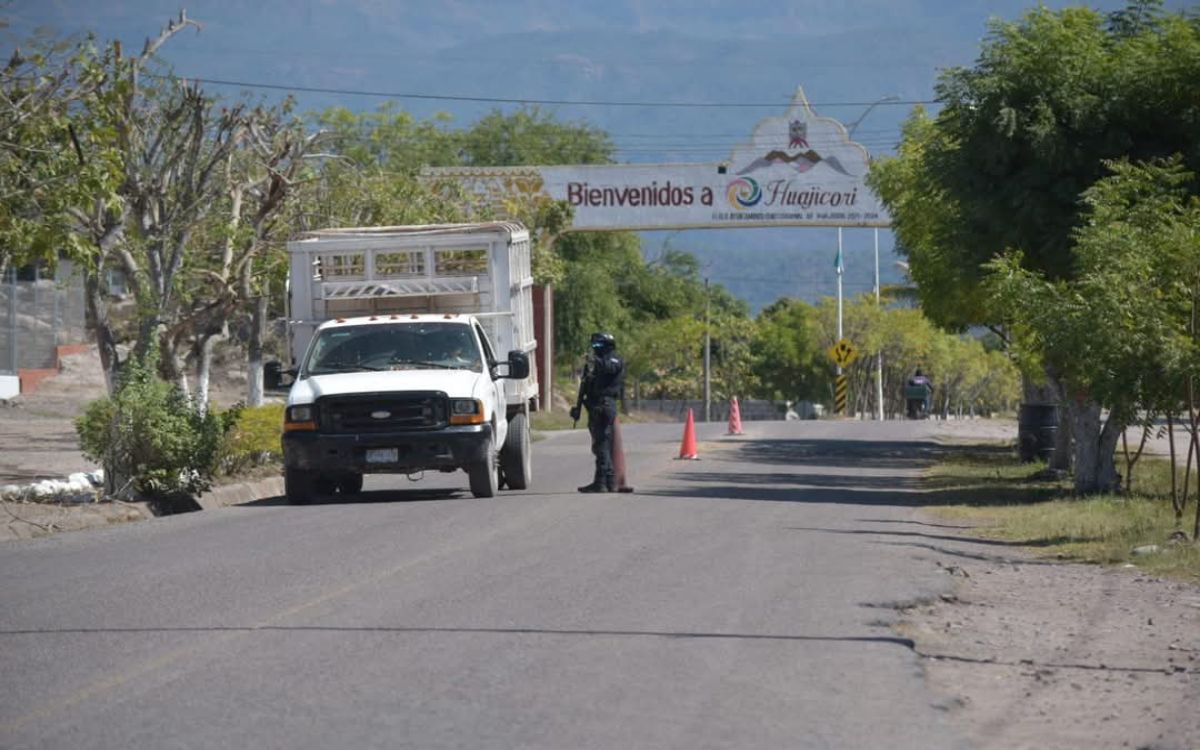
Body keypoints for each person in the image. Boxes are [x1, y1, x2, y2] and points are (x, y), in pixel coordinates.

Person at [570, 332, 625, 493]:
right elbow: (585, 387)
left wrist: (596, 361)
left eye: (599, 345)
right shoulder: (595, 365)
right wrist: (578, 408)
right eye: (594, 346)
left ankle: (603, 481)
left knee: (602, 444)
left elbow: (610, 367)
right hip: (595, 406)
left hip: (605, 405)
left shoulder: (613, 359)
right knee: (599, 445)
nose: (595, 349)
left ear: (608, 346)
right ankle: (607, 481)